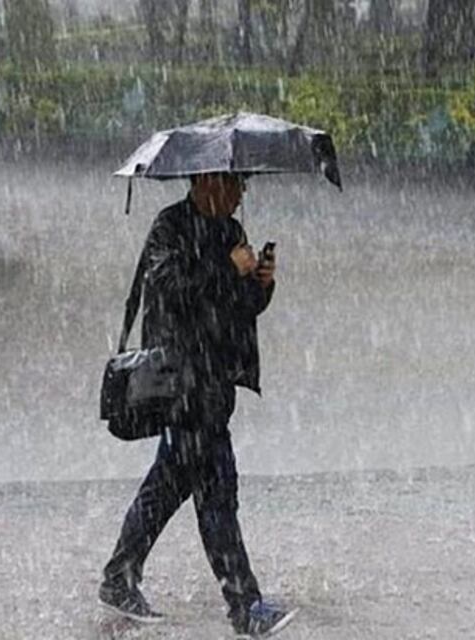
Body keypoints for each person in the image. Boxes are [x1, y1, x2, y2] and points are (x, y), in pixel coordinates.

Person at [99, 172, 296, 638]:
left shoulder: (231, 231)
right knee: (217, 494)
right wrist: (227, 268)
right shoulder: (169, 227)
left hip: (216, 382)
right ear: (208, 181)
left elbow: (241, 305)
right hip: (182, 384)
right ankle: (244, 606)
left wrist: (260, 284)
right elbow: (169, 290)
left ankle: (119, 577)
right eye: (235, 183)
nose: (242, 192)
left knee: (169, 485)